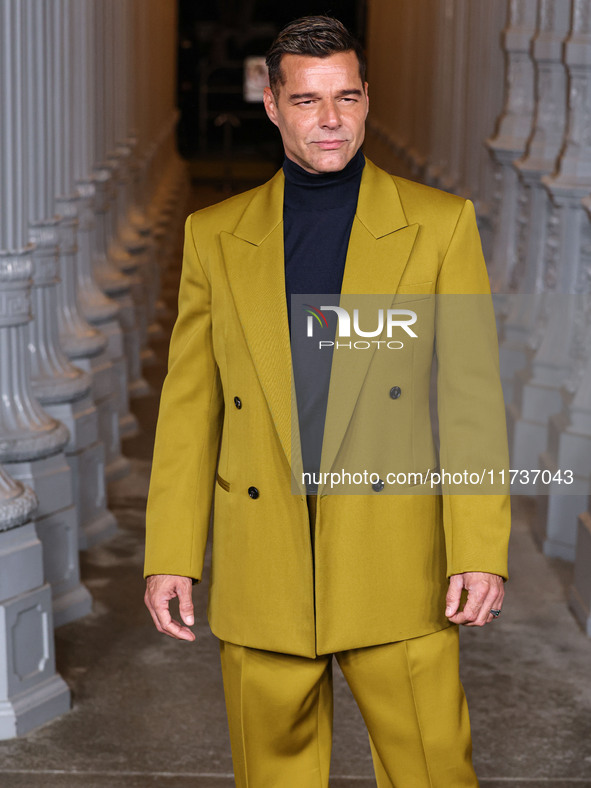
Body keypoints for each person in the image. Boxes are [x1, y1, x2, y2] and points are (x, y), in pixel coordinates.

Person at [144, 15, 510, 787]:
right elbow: (189, 409)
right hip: (263, 557)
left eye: (345, 96)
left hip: (395, 557)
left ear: (366, 99)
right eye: (306, 101)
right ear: (271, 104)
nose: (331, 119)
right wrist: (171, 554)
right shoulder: (215, 234)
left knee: (432, 771)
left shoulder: (439, 226)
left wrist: (478, 549)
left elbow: (471, 401)